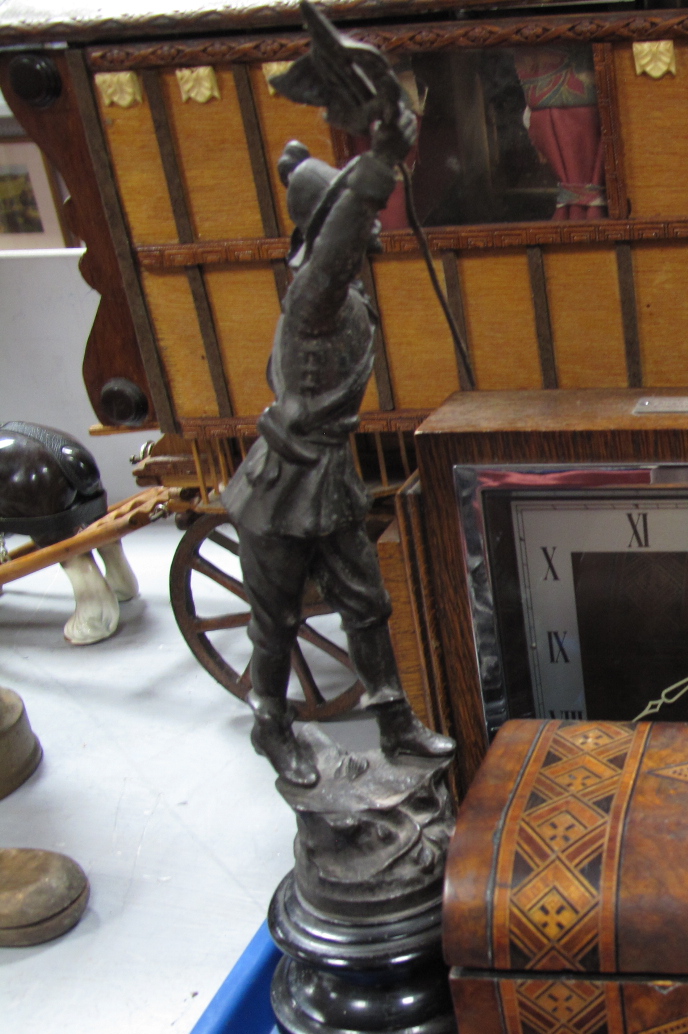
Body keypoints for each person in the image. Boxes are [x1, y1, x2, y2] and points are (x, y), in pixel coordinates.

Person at [222, 83, 453, 788]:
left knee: (366, 604)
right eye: (358, 226)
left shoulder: (341, 297)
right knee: (277, 621)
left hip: (328, 477)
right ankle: (271, 724)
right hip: (283, 484)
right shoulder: (314, 298)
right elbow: (347, 228)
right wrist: (384, 156)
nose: (375, 232)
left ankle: (393, 722)